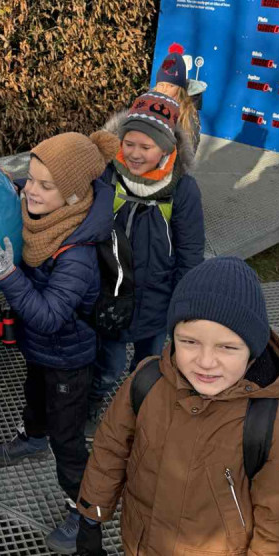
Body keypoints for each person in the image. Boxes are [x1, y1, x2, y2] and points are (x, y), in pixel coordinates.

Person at [76, 257, 279, 556]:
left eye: (227, 348)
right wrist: (91, 513)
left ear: (252, 351)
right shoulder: (147, 383)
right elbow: (110, 449)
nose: (205, 361)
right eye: (189, 342)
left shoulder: (269, 423)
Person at [0, 131, 119, 554]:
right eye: (30, 178)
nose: (31, 190)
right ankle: (33, 436)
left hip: (68, 358)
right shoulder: (49, 214)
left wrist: (7, 274)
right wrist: (4, 182)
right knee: (34, 393)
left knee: (67, 440)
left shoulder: (77, 253)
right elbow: (25, 185)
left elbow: (51, 317)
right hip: (40, 350)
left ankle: (84, 512)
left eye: (44, 185)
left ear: (71, 196)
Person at [86, 92, 206, 433]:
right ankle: (93, 403)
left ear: (166, 149)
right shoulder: (106, 175)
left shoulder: (183, 190)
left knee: (147, 366)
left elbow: (190, 253)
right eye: (129, 144)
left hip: (157, 298)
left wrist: (183, 307)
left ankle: (137, 410)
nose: (135, 154)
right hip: (110, 293)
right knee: (108, 366)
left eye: (146, 147)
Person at [151, 43, 202, 152]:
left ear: (180, 89)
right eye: (161, 84)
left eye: (171, 86)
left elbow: (187, 153)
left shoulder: (187, 115)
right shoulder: (147, 104)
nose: (164, 90)